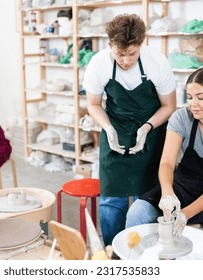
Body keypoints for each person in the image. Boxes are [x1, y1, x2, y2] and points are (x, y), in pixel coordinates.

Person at [126, 67, 203, 260]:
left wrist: (184, 214)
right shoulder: (181, 118)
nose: (193, 104)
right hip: (182, 187)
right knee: (136, 213)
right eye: (190, 97)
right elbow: (166, 163)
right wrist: (167, 194)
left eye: (201, 97)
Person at [82, 14, 176, 246]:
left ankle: (147, 251)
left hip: (151, 132)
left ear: (142, 44)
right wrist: (108, 128)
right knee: (112, 201)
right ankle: (115, 253)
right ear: (110, 45)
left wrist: (146, 127)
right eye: (119, 54)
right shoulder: (99, 63)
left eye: (131, 53)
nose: (125, 60)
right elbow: (93, 104)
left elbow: (169, 106)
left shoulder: (156, 61)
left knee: (150, 199)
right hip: (115, 127)